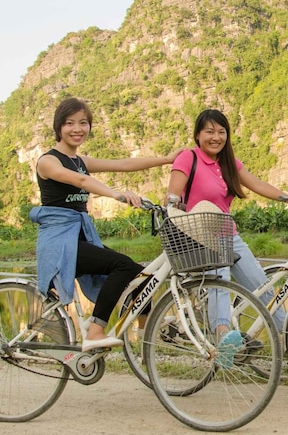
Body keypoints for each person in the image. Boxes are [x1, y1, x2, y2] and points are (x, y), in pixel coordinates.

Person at [165, 109, 288, 364]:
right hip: (197, 234)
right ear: (198, 135)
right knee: (221, 280)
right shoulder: (188, 158)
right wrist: (173, 206)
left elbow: (257, 184)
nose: (215, 137)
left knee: (261, 286)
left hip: (228, 234)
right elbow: (172, 196)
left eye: (221, 132)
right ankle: (221, 337)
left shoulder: (228, 163)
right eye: (209, 131)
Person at [30, 97, 183, 352]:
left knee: (141, 275)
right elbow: (80, 181)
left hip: (78, 239)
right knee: (121, 265)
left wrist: (166, 159)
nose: (77, 129)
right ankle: (95, 331)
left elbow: (123, 165)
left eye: (83, 123)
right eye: (70, 123)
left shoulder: (81, 160)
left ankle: (146, 328)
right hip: (59, 244)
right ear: (59, 128)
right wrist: (115, 194)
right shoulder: (48, 161)